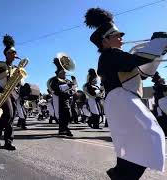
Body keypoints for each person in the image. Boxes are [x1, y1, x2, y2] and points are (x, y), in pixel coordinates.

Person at [85, 7, 167, 179]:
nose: (122, 38)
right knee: (151, 136)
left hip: (123, 100)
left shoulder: (116, 56)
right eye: (117, 36)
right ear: (105, 41)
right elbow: (137, 60)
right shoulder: (110, 55)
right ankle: (123, 175)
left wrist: (158, 51)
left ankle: (121, 173)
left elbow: (143, 73)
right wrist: (158, 43)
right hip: (122, 100)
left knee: (130, 143)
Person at [0, 34, 19, 150]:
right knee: (9, 113)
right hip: (3, 92)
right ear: (6, 54)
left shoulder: (17, 68)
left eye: (15, 52)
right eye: (12, 52)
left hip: (13, 93)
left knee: (11, 117)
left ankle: (7, 141)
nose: (14, 54)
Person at [47, 56, 74, 137]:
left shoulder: (67, 80)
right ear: (59, 73)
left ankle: (63, 129)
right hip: (59, 99)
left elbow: (72, 89)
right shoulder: (55, 80)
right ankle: (64, 129)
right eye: (63, 72)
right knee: (64, 114)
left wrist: (72, 88)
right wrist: (67, 86)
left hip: (66, 98)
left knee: (67, 114)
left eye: (65, 72)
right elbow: (56, 89)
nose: (65, 73)